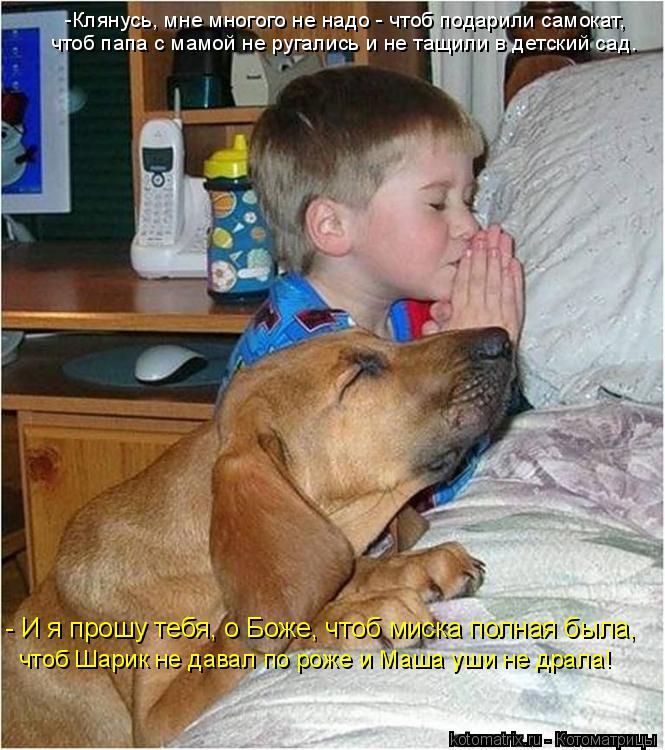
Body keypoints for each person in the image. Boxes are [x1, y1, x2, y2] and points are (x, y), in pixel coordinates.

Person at [222, 65, 524, 518]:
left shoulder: (406, 312)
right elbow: (402, 506)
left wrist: (483, 359)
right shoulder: (303, 365)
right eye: (437, 203)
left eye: (468, 200)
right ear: (332, 225)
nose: (469, 225)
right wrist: (464, 375)